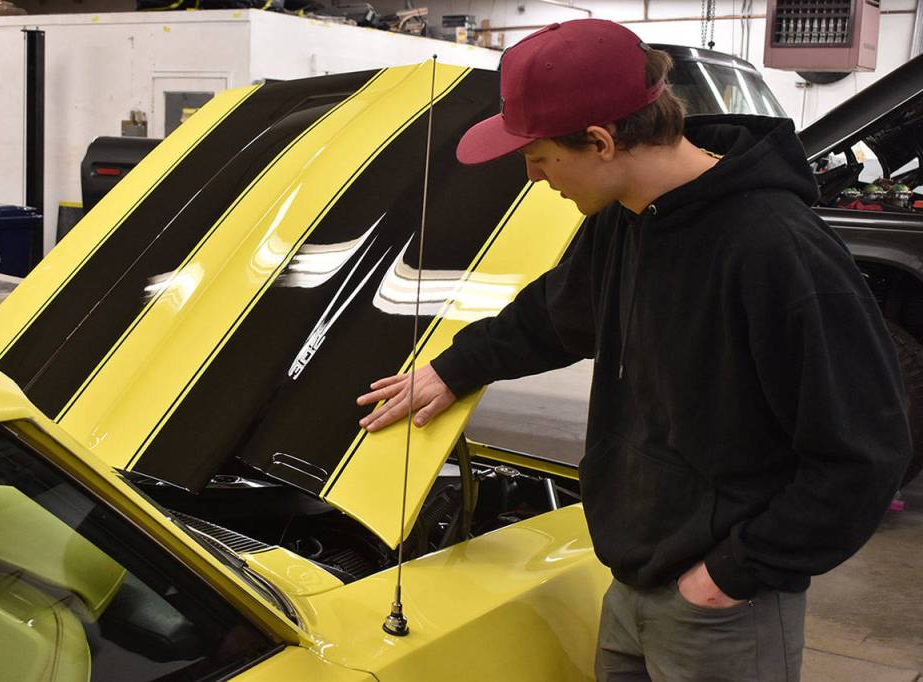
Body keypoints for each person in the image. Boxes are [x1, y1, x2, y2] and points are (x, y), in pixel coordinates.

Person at [356, 18, 912, 682]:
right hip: (631, 579)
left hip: (722, 607)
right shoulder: (627, 217)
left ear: (599, 140)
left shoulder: (777, 250)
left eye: (539, 156)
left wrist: (731, 574)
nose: (532, 177)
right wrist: (454, 369)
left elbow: (864, 455)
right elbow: (554, 315)